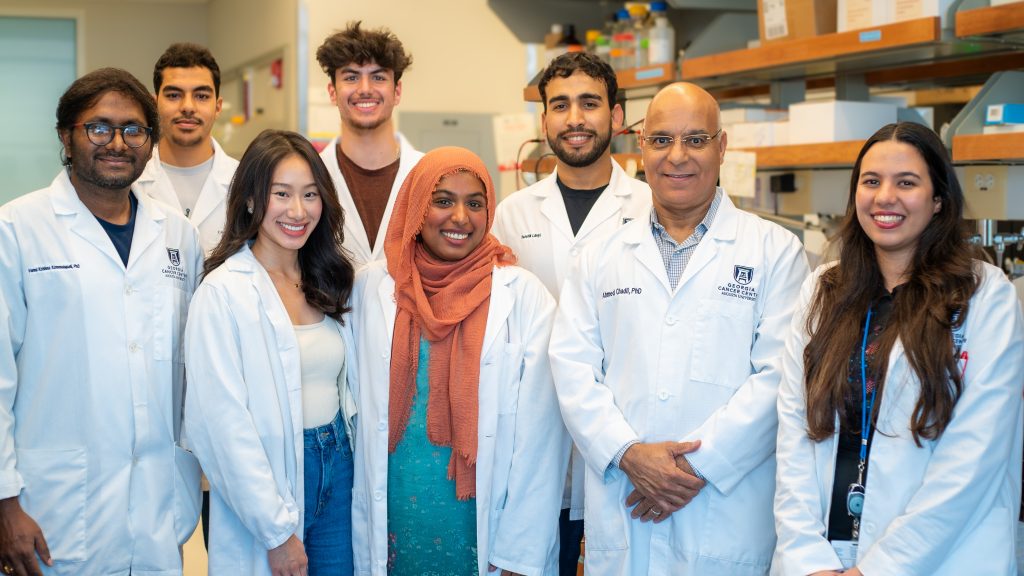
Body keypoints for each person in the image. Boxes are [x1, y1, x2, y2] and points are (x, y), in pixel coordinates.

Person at [548, 82, 809, 576]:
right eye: (662, 140)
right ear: (641, 147)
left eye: (696, 139)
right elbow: (573, 367)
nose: (677, 157)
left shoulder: (775, 252)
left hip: (725, 512)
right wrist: (627, 454)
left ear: (722, 146)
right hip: (626, 502)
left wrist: (688, 468)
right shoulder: (599, 254)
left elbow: (779, 378)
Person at [773, 122, 1024, 576]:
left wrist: (881, 568)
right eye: (871, 181)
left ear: (938, 199)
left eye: (906, 182)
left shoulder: (985, 296)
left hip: (938, 557)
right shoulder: (824, 289)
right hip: (825, 556)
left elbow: (974, 455)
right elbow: (793, 431)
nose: (885, 196)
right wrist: (807, 557)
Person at [0, 67, 202, 576]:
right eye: (99, 128)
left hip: (158, 504)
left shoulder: (177, 234)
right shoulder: (17, 230)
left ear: (151, 144)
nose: (118, 142)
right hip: (52, 507)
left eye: (134, 129)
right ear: (66, 137)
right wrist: (4, 502)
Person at [349, 146, 569, 575]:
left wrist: (520, 553)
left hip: (482, 523)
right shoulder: (371, 289)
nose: (460, 218)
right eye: (443, 200)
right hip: (391, 514)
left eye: (475, 203)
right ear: (415, 206)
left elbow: (542, 440)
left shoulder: (523, 296)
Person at [491, 51, 650, 576]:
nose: (575, 119)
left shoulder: (650, 208)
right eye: (560, 105)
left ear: (618, 117)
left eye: (590, 103)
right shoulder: (513, 215)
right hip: (537, 444)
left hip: (626, 442)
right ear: (544, 122)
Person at [184, 130, 357, 576]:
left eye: (310, 195)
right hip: (273, 476)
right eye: (281, 194)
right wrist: (276, 532)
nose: (298, 211)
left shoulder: (330, 278)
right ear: (249, 200)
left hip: (339, 463)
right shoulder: (223, 293)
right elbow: (220, 426)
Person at [315, 21, 425, 268]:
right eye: (351, 77)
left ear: (397, 91)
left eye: (377, 77)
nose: (365, 89)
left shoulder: (428, 174)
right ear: (332, 92)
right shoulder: (312, 176)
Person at [135, 42, 239, 256]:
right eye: (174, 95)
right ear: (154, 104)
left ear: (218, 107)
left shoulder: (244, 181)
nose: (188, 107)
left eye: (201, 96)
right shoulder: (132, 180)